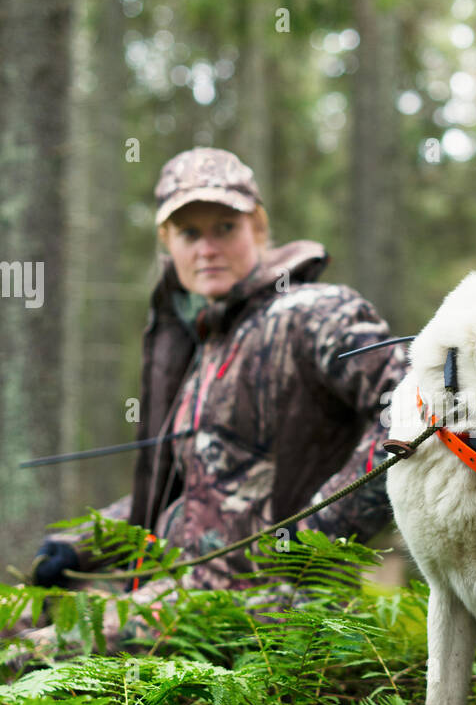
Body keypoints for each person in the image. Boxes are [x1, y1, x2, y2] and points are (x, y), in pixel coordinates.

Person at [20, 147, 409, 654]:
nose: (207, 248)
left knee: (22, 661)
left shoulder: (313, 311)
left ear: (258, 229)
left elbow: (412, 411)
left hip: (254, 613)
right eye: (189, 233)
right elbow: (184, 490)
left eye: (225, 227)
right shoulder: (208, 346)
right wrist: (76, 546)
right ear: (168, 245)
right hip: (170, 591)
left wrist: (309, 541)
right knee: (16, 620)